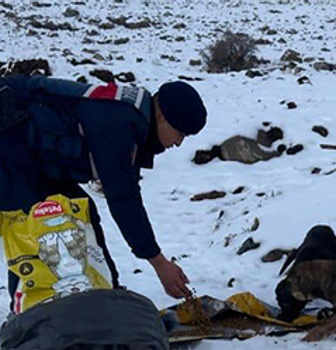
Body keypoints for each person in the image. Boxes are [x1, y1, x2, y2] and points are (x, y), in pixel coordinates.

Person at [0, 75, 206, 304]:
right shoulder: (119, 122)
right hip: (9, 146)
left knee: (82, 214)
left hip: (33, 157)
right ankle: (32, 317)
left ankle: (105, 296)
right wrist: (159, 262)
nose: (179, 143)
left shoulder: (133, 116)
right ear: (162, 116)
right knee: (33, 227)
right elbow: (123, 199)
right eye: (181, 134)